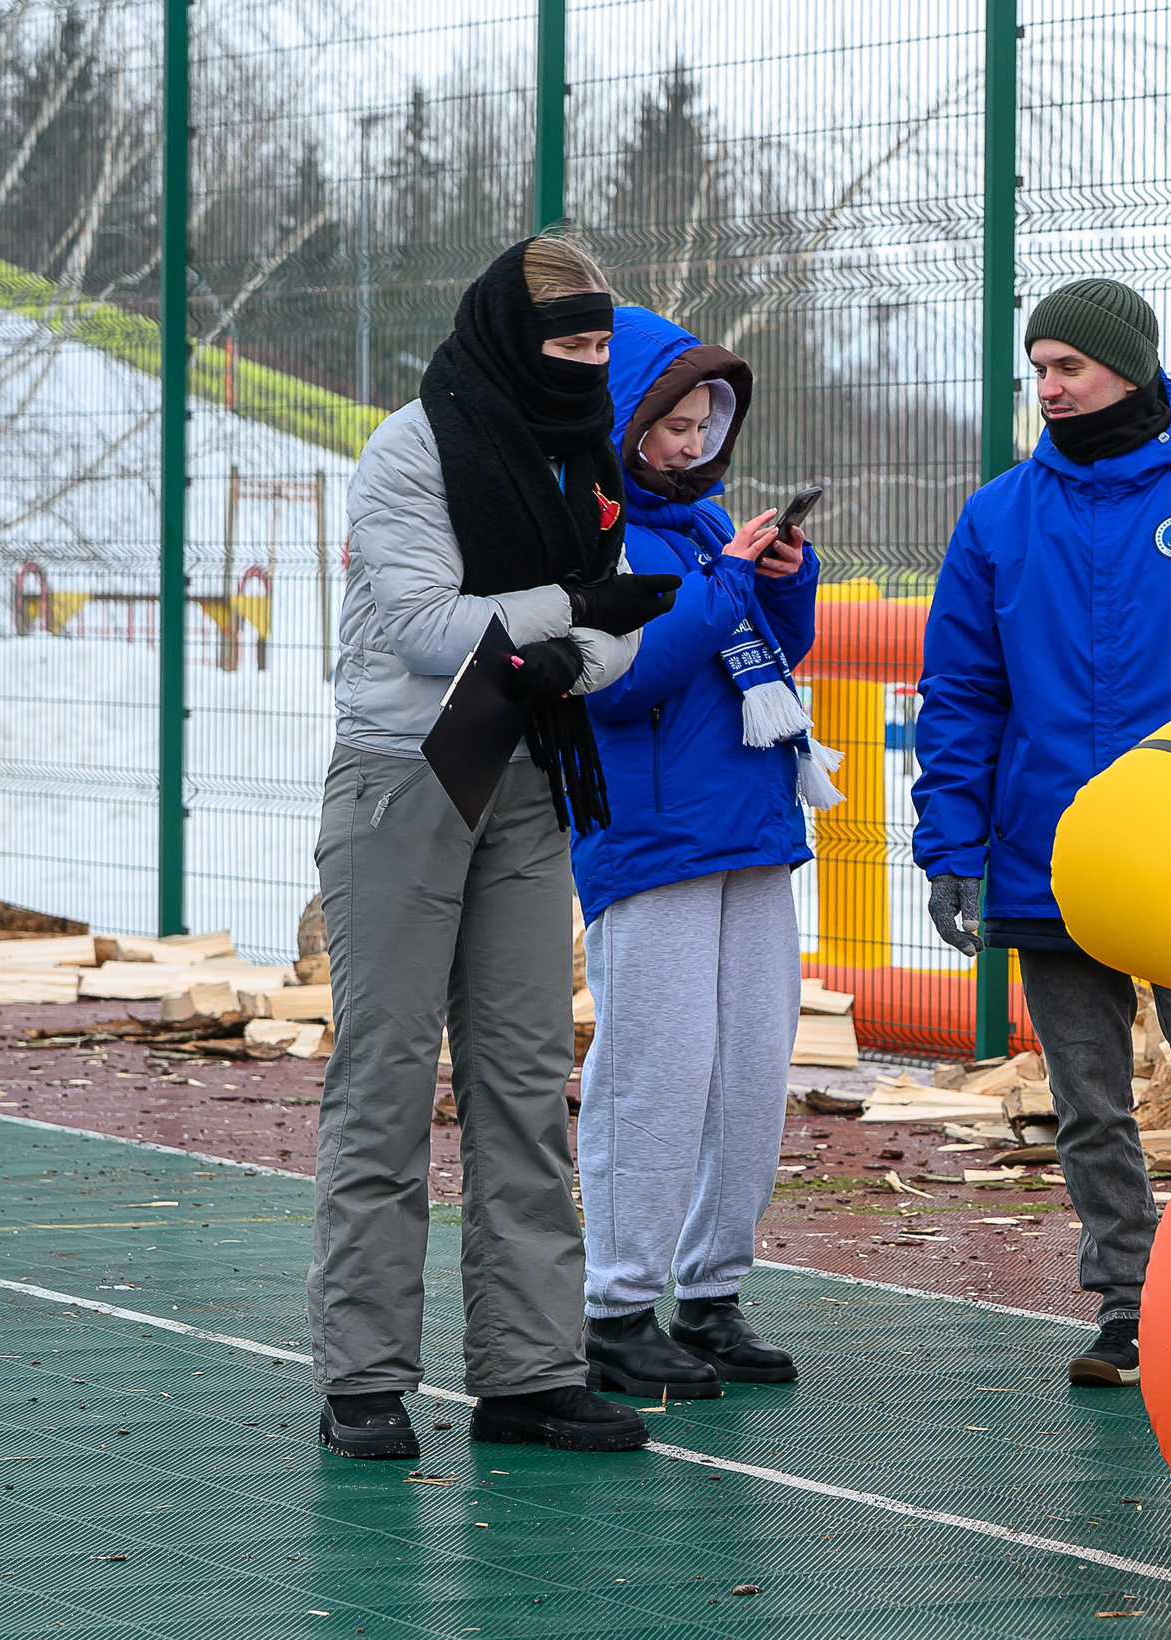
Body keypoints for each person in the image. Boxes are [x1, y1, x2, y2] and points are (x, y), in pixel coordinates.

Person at [914, 278, 1171, 1387]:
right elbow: (960, 693)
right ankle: (1128, 1303)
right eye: (1037, 370)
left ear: (1130, 370)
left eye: (1068, 368)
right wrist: (952, 846)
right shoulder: (999, 516)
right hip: (1048, 853)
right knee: (1086, 1101)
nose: (1048, 389)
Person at [311, 234, 684, 1461]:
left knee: (524, 1084)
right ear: (509, 341)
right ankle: (363, 1380)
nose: (584, 368)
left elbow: (624, 622)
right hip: (405, 780)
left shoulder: (587, 454)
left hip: (527, 774)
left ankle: (527, 1375)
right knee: (384, 1083)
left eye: (597, 347)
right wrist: (572, 616)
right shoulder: (412, 445)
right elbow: (425, 628)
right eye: (564, 347)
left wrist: (575, 642)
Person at [568, 305, 825, 1399]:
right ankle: (616, 1308)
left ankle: (711, 1294)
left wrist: (780, 583)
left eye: (703, 422)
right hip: (655, 837)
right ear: (624, 420)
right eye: (668, 422)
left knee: (749, 1073)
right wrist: (726, 585)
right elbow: (618, 681)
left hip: (751, 829)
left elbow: (763, 652)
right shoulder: (592, 531)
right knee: (654, 1072)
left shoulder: (701, 525)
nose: (689, 442)